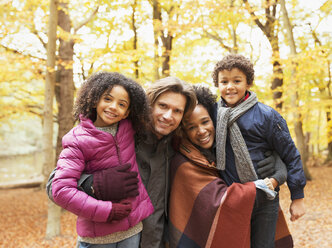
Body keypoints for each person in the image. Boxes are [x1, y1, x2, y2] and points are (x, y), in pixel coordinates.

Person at [47, 76, 280, 248]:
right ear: (148, 103)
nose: (168, 116)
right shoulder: (120, 133)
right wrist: (92, 184)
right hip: (112, 238)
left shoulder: (175, 145)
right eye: (163, 106)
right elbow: (54, 185)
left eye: (177, 111)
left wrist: (276, 165)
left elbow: (216, 144)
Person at [169, 85, 292, 248]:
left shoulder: (223, 149)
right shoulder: (183, 163)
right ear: (183, 131)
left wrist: (276, 159)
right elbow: (221, 201)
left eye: (205, 122)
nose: (201, 131)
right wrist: (276, 180)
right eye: (191, 127)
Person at [212, 54, 306, 248]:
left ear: (248, 83)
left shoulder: (267, 116)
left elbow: (291, 155)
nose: (230, 86)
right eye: (224, 81)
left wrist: (297, 197)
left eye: (237, 81)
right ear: (217, 84)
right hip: (230, 198)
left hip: (264, 199)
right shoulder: (213, 115)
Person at [51, 71, 154, 248]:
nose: (113, 107)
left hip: (132, 232)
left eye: (122, 104)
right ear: (95, 99)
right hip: (98, 239)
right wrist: (106, 211)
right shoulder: (77, 139)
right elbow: (61, 190)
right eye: (108, 99)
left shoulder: (130, 129)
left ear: (127, 112)